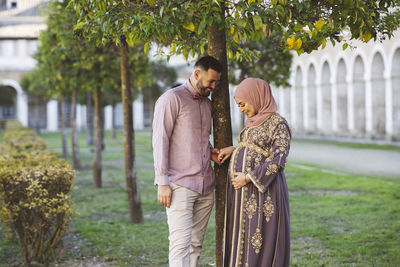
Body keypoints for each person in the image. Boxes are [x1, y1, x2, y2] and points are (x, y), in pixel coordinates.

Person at [152, 56, 223, 267]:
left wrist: (211, 152)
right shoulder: (171, 99)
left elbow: (198, 140)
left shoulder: (208, 104)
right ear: (196, 74)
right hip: (179, 185)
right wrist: (162, 183)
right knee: (180, 245)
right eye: (211, 81)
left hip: (206, 186)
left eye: (216, 82)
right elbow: (160, 141)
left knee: (195, 245)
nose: (213, 86)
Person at [218, 78, 291, 267]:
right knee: (242, 236)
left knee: (260, 239)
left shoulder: (278, 124)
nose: (241, 109)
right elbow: (255, 149)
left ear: (255, 96)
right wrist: (235, 149)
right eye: (238, 105)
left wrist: (248, 177)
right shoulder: (252, 122)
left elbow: (278, 160)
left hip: (264, 193)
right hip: (243, 193)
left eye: (243, 104)